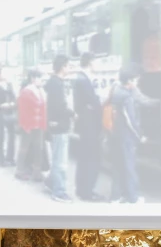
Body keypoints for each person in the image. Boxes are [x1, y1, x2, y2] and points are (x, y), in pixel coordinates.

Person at [110, 64, 154, 204]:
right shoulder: (126, 96)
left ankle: (116, 196)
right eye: (135, 80)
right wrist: (140, 136)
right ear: (129, 81)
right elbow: (131, 120)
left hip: (116, 134)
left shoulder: (116, 90)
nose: (137, 82)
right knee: (130, 166)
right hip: (127, 136)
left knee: (119, 165)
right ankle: (133, 197)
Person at [73, 52, 104, 201]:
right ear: (91, 62)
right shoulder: (83, 80)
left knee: (84, 157)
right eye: (96, 61)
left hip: (85, 125)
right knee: (92, 158)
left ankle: (81, 189)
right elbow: (92, 102)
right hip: (90, 125)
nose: (97, 65)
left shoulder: (81, 78)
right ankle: (87, 191)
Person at [44, 55, 74, 203]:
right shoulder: (56, 84)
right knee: (60, 161)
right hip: (60, 125)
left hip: (58, 124)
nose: (70, 69)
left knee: (58, 158)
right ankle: (59, 191)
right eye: (69, 66)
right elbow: (59, 106)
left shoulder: (55, 82)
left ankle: (50, 182)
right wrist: (73, 114)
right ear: (63, 67)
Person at [15, 69, 47, 181]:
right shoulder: (26, 91)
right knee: (24, 148)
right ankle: (19, 171)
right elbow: (23, 110)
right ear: (33, 79)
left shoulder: (40, 91)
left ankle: (37, 172)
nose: (42, 81)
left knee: (38, 148)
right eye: (40, 79)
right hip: (28, 125)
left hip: (38, 125)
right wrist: (24, 124)